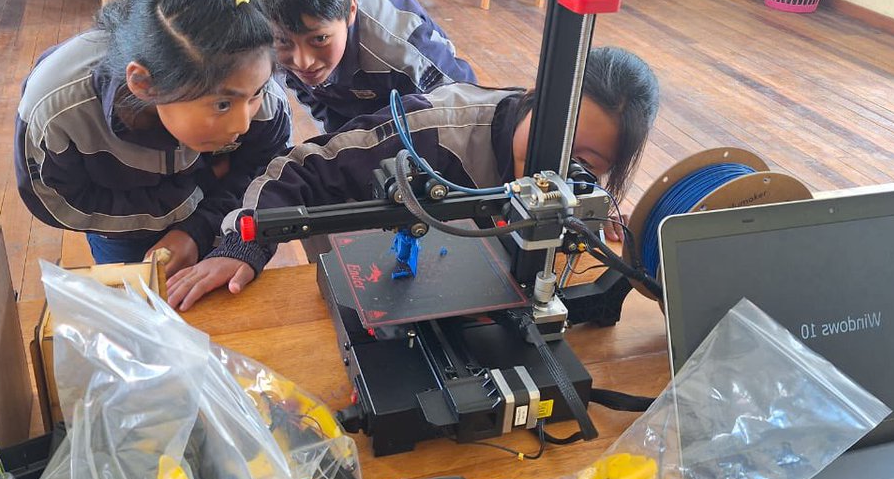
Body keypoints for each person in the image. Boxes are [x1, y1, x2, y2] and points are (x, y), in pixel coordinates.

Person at [166, 46, 660, 309]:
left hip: (468, 294)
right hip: (368, 290)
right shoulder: (432, 132)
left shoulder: (572, 179)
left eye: (586, 164)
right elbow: (297, 167)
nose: (554, 166)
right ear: (533, 99)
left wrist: (594, 204)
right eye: (554, 137)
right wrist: (243, 245)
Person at [15, 0, 292, 271]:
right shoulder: (55, 109)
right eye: (222, 105)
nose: (243, 123)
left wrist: (197, 229)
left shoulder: (248, 80)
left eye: (255, 94)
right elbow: (59, 201)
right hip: (117, 229)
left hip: (217, 212)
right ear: (144, 84)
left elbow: (266, 169)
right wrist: (192, 193)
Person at [248, 0, 475, 133]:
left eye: (319, 39)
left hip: (420, 110)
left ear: (351, 10)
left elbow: (466, 110)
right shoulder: (264, 33)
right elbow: (315, 104)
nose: (303, 61)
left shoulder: (404, 44)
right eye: (284, 41)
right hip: (344, 103)